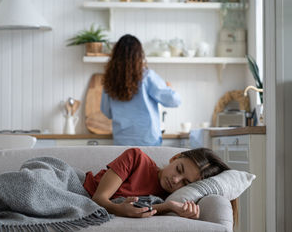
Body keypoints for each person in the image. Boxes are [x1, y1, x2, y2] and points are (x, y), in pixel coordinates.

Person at [83, 147, 238, 222]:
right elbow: (99, 199)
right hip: (81, 190)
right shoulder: (136, 158)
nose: (176, 180)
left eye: (185, 182)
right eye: (179, 169)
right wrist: (119, 209)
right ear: (175, 158)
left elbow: (145, 210)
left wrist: (174, 208)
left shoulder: (169, 199)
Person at [101, 34, 181, 146]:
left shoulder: (110, 79)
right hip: (148, 140)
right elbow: (174, 101)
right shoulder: (147, 76)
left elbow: (106, 111)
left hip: (122, 141)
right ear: (139, 55)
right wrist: (169, 88)